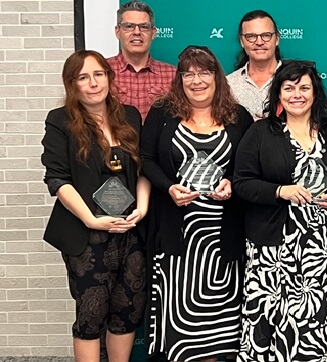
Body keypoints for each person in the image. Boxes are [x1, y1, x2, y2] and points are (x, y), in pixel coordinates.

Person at [233, 60, 327, 361]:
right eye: (289, 87)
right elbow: (242, 183)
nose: (297, 94)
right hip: (273, 251)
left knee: (325, 323)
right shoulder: (261, 132)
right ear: (278, 94)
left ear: (315, 92)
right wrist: (281, 191)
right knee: (274, 324)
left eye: (304, 87)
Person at [141, 45, 253, 361]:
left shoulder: (238, 115)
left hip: (222, 237)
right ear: (180, 79)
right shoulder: (162, 112)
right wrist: (169, 187)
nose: (196, 80)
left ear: (217, 76)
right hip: (178, 236)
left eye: (204, 72)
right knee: (180, 325)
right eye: (188, 73)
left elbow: (245, 167)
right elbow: (147, 160)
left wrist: (231, 182)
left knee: (221, 330)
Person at [41, 49, 148, 362]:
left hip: (129, 231)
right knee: (91, 316)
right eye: (82, 77)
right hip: (86, 234)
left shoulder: (129, 115)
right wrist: (91, 219)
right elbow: (58, 180)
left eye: (98, 74)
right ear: (72, 84)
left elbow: (142, 170)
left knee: (128, 311)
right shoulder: (60, 121)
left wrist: (142, 208)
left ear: (109, 77)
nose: (92, 83)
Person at [106, 1, 175, 121]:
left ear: (153, 33)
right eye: (129, 26)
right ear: (118, 32)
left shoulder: (173, 74)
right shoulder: (102, 70)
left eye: (144, 27)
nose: (137, 32)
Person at [227, 10, 282, 120]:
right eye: (251, 36)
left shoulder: (296, 81)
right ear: (242, 41)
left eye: (266, 35)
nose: (259, 42)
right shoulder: (227, 84)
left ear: (277, 39)